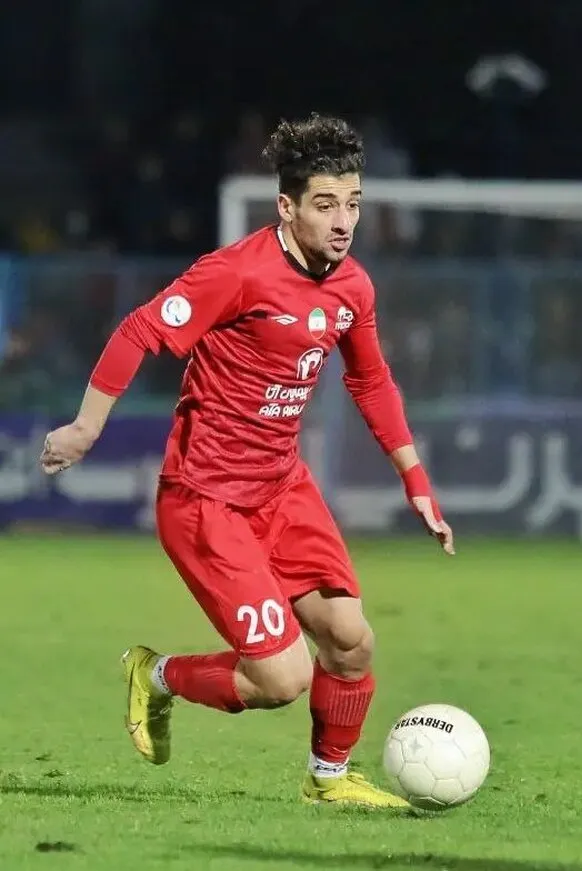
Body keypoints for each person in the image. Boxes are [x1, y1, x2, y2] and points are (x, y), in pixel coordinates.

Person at [40, 114, 454, 808]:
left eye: (353, 204)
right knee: (281, 680)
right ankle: (155, 674)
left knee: (351, 641)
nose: (344, 222)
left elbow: (371, 380)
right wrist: (87, 427)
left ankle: (329, 780)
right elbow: (139, 329)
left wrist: (415, 479)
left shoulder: (353, 287)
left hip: (282, 488)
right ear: (287, 207)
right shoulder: (236, 272)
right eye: (326, 205)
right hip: (206, 500)